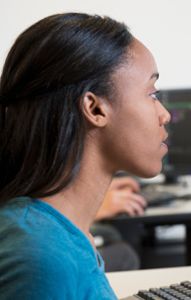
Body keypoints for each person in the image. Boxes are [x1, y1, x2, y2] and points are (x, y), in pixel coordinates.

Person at [0, 12, 170, 299]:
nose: (165, 115)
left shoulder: (57, 235)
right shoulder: (42, 258)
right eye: (151, 94)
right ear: (95, 109)